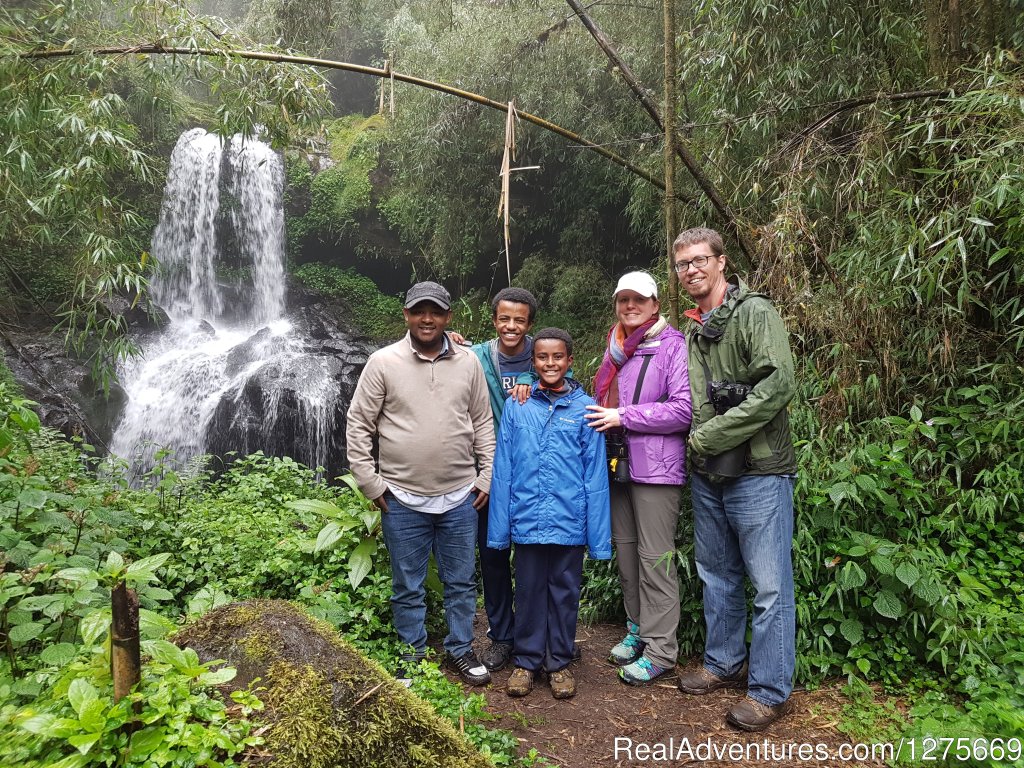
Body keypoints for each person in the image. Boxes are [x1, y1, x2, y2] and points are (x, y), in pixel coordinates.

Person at [673, 227, 797, 731]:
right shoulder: (693, 328)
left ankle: (769, 691)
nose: (692, 270)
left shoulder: (755, 313)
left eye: (701, 260)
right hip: (710, 474)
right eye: (683, 264)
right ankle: (723, 662)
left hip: (759, 471)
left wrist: (712, 435)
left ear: (722, 262)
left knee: (769, 586)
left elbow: (779, 384)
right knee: (716, 574)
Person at [345, 280, 495, 687]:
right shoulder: (383, 362)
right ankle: (411, 654)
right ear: (406, 314)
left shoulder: (468, 363)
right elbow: (359, 424)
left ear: (448, 317)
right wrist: (371, 484)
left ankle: (461, 649)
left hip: (461, 495)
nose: (426, 318)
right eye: (418, 311)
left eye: (435, 311)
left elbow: (482, 421)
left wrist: (486, 475)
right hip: (401, 499)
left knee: (462, 582)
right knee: (407, 584)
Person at [488, 327, 611, 700]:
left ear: (569, 361)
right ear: (533, 362)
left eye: (557, 357)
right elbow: (504, 468)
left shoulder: (585, 409)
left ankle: (558, 662)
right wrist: (499, 530)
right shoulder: (517, 405)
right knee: (526, 592)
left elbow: (595, 476)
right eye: (542, 357)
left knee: (564, 593)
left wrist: (598, 539)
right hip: (527, 518)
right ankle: (525, 662)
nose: (550, 363)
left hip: (568, 520)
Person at [584, 271, 692, 685]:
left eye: (639, 300)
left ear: (655, 304)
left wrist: (623, 416)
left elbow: (684, 409)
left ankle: (662, 651)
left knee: (655, 560)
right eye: (623, 299)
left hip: (657, 470)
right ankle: (637, 631)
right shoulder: (616, 350)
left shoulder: (672, 347)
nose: (630, 306)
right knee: (627, 555)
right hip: (618, 464)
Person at [470, 287, 538, 672]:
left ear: (530, 324)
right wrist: (450, 338)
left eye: (520, 320)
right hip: (488, 476)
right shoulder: (476, 357)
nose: (511, 326)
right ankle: (501, 637)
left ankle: (535, 636)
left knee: (532, 561)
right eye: (504, 318)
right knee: (493, 559)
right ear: (494, 319)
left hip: (532, 478)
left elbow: (567, 389)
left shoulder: (545, 355)